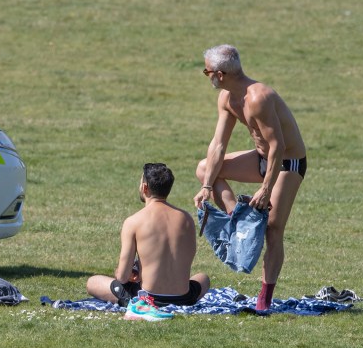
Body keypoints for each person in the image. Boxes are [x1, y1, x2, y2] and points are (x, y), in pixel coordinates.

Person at [193, 44, 306, 310]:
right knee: (204, 168)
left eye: (206, 71)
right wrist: (207, 185)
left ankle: (265, 297)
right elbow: (218, 144)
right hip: (261, 159)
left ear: (219, 74)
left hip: (287, 163)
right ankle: (239, 220)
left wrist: (266, 190)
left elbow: (277, 146)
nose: (206, 75)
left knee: (272, 229)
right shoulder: (227, 98)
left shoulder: (258, 98)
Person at [86, 163, 210, 314]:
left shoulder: (134, 221)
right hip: (184, 298)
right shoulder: (186, 219)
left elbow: (123, 277)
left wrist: (129, 272)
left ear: (145, 188)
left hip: (148, 298)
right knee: (203, 278)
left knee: (92, 282)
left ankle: (135, 301)